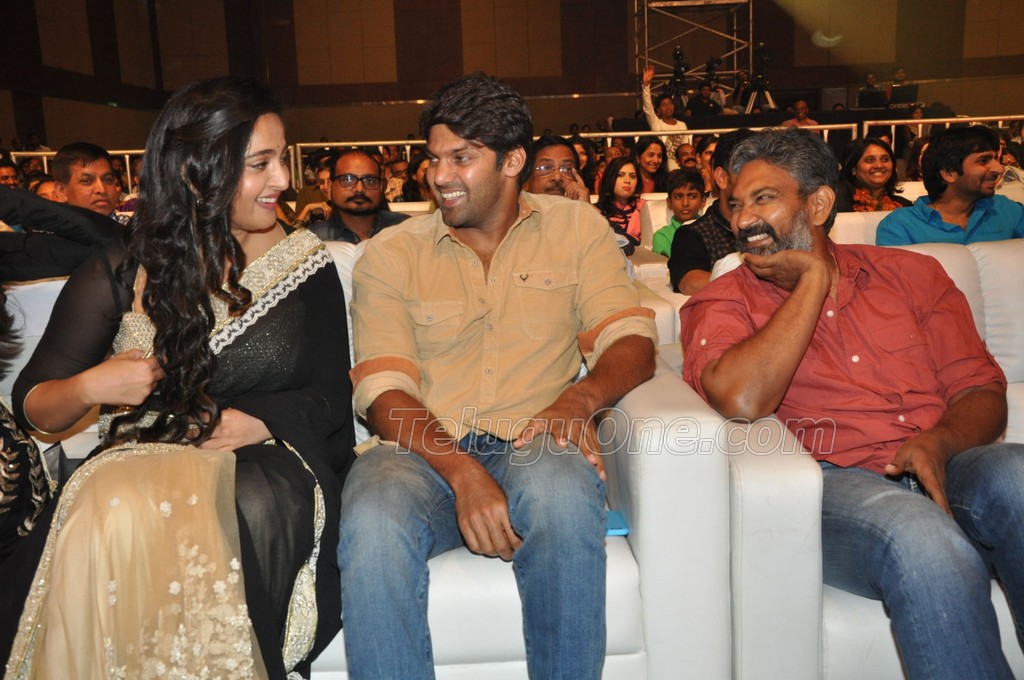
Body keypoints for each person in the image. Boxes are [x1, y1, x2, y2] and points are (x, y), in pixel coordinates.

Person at [3, 75, 355, 678]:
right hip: (142, 458)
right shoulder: (123, 267)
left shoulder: (303, 264)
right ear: (196, 172)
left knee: (245, 503)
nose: (282, 180)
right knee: (113, 504)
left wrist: (262, 420)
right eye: (260, 164)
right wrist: (93, 386)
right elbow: (34, 405)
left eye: (282, 159)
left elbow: (332, 394)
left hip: (267, 459)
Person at [337, 72, 658, 680]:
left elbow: (633, 342)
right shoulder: (392, 254)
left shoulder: (576, 229)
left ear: (513, 161)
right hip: (420, 452)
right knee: (374, 514)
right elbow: (382, 392)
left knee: (562, 496)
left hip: (535, 439)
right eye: (434, 158)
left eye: (462, 158)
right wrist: (464, 473)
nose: (440, 175)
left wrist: (579, 401)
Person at [680, 127, 1024, 680]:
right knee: (923, 539)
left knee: (1017, 477)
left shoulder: (912, 274)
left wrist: (939, 442)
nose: (744, 220)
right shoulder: (724, 300)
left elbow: (980, 389)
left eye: (763, 199)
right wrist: (812, 280)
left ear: (818, 204)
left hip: (947, 460)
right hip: (835, 487)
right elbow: (742, 399)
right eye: (736, 205)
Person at [877, 126, 1024, 245]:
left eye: (996, 159)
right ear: (948, 173)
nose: (999, 169)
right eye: (983, 161)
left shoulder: (1007, 210)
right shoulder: (901, 226)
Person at [668, 128, 755, 294]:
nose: (759, 180)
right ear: (722, 177)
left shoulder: (775, 225)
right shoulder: (693, 235)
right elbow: (689, 281)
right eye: (747, 171)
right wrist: (755, 287)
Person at [306, 148, 409, 242]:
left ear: (381, 187)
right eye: (347, 180)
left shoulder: (406, 229)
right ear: (330, 187)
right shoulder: (312, 238)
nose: (359, 189)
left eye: (369, 180)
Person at [835, 137, 912, 212]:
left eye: (885, 159)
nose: (879, 165)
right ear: (853, 169)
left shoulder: (904, 207)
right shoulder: (837, 197)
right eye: (870, 160)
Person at [640, 65, 690, 170]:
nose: (668, 107)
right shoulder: (656, 123)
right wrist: (646, 85)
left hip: (679, 169)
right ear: (658, 110)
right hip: (661, 167)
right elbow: (648, 107)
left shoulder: (682, 125)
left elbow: (685, 148)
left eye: (670, 103)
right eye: (664, 105)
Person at [596, 156, 644, 255]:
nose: (627, 180)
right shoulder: (597, 209)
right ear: (610, 178)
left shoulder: (644, 208)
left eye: (632, 176)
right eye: (620, 175)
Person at [652, 168, 705, 257]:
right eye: (678, 197)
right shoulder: (662, 236)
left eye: (692, 196)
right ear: (669, 202)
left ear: (703, 202)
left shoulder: (712, 231)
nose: (685, 203)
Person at [524, 135, 590, 202]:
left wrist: (584, 206)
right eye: (546, 168)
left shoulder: (585, 207)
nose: (557, 177)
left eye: (566, 169)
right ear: (525, 182)